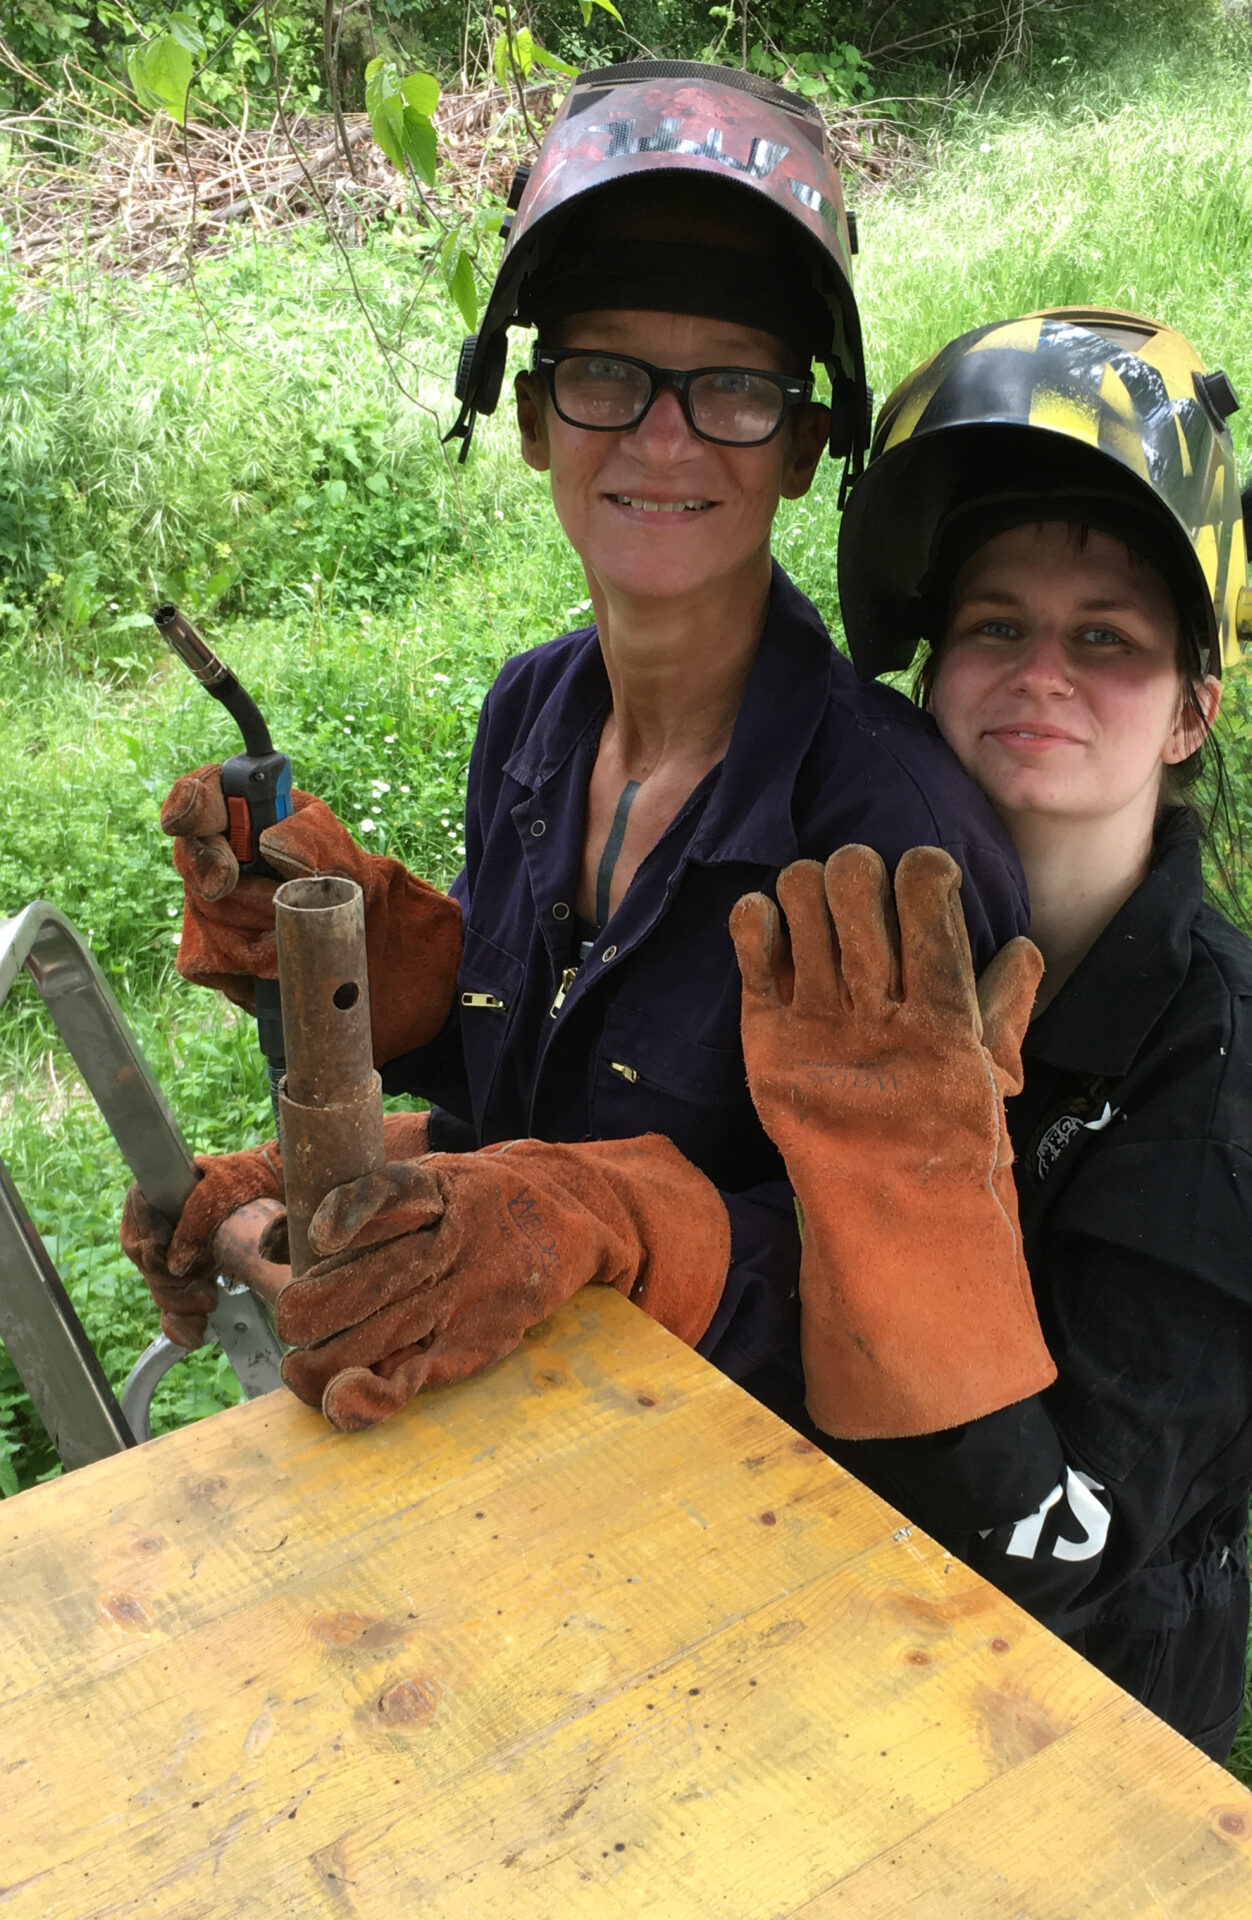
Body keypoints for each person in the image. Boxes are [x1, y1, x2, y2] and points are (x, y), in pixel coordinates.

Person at [121, 62, 1028, 1431]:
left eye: (732, 388)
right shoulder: (533, 721)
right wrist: (347, 1154)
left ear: (803, 445)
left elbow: (931, 1326)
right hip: (512, 1434)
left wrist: (619, 1222)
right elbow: (525, 1114)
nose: (665, 441)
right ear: (534, 418)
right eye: (608, 376)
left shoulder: (886, 835)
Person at [729, 308, 1252, 1759]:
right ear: (932, 673)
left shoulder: (1230, 1082)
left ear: (1193, 712)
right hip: (807, 1654)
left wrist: (911, 1198)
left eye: (1109, 641)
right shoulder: (857, 948)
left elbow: (1056, 1549)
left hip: (1073, 1750)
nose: (1042, 671)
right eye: (995, 626)